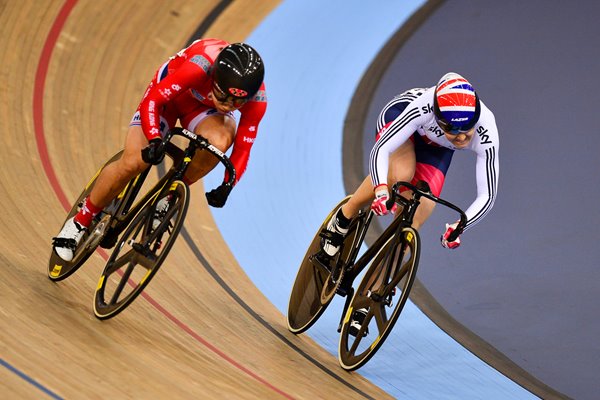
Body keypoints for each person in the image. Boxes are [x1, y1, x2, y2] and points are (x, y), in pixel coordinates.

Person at [52, 38, 267, 261]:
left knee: (219, 143)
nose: (229, 105)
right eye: (223, 96)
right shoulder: (200, 66)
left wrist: (228, 184)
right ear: (214, 78)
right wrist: (155, 138)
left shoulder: (257, 100)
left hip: (202, 110)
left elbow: (242, 149)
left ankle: (169, 196)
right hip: (168, 96)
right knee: (135, 162)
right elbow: (154, 101)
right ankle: (80, 221)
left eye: (237, 102)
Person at [322, 72, 499, 258]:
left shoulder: (486, 128)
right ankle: (343, 217)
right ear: (438, 119)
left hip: (437, 146)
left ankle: (380, 283)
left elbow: (487, 194)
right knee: (402, 174)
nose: (462, 137)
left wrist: (461, 226)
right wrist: (381, 191)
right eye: (453, 129)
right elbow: (381, 149)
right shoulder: (423, 107)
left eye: (468, 126)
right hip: (400, 116)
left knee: (418, 214)